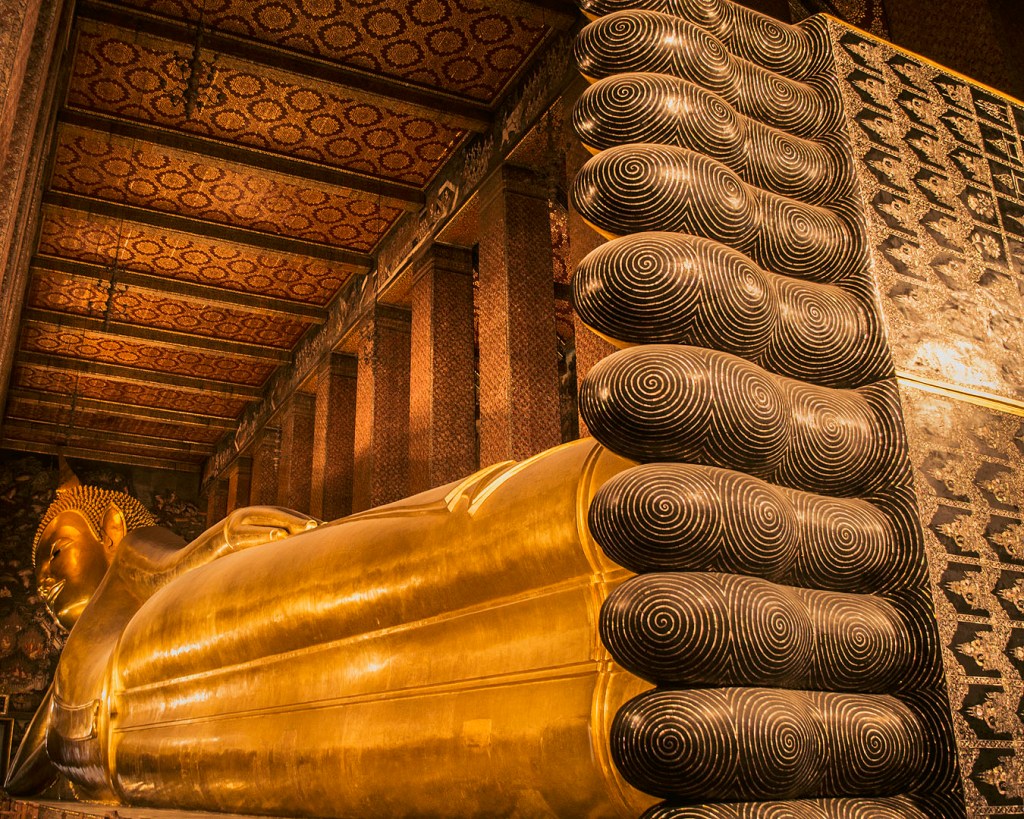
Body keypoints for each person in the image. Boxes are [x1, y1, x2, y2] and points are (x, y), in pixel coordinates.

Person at [5, 444, 652, 818]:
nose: (42, 578)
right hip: (153, 746)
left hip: (163, 641)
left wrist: (229, 537)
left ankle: (590, 529)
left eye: (54, 551)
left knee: (368, 595)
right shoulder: (73, 664)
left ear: (110, 528)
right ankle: (612, 705)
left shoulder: (135, 559)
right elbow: (29, 759)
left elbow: (182, 559)